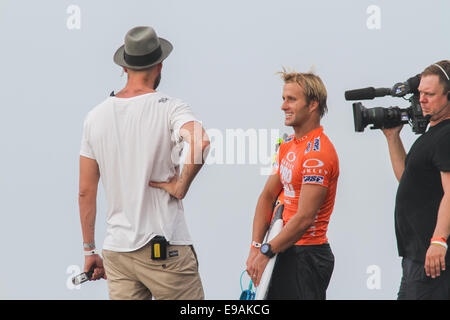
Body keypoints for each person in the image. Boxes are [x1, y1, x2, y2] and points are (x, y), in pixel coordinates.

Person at [78, 26, 209, 300]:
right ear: (159, 65)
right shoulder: (170, 107)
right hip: (163, 246)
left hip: (117, 252)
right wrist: (180, 186)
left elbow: (86, 191)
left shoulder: (95, 117)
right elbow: (200, 142)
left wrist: (90, 250)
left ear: (124, 67)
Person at [246, 70, 339, 299]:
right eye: (283, 98)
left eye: (291, 99)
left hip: (307, 255)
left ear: (312, 105)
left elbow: (305, 217)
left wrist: (266, 251)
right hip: (281, 248)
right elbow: (267, 196)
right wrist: (256, 246)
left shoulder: (319, 153)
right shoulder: (289, 145)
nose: (283, 106)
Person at [382, 60, 450, 300]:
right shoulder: (432, 134)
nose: (421, 99)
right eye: (420, 93)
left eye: (429, 94)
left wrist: (439, 240)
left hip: (433, 260)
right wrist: (392, 139)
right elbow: (407, 180)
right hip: (416, 258)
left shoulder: (446, 136)